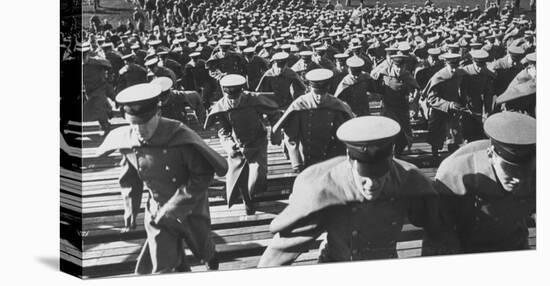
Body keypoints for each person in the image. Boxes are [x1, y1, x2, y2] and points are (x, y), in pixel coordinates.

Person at [257, 116, 441, 266]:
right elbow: (281, 250)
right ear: (349, 159)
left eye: (378, 176)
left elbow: (437, 227)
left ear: (391, 157)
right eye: (364, 176)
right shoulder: (325, 188)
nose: (371, 184)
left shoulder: (410, 181)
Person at [97, 83, 228, 274]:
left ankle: (210, 259)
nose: (140, 130)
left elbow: (203, 174)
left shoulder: (180, 135)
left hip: (190, 206)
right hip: (157, 210)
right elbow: (130, 178)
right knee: (162, 265)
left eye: (145, 123)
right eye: (134, 124)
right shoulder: (128, 141)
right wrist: (130, 210)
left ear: (158, 113)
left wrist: (176, 206)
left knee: (201, 244)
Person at [430, 112, 535, 254]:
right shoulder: (456, 175)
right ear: (491, 154)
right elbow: (440, 235)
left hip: (515, 243)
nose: (518, 180)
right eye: (510, 170)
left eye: (525, 173)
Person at [204, 74, 281, 215]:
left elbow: (274, 113)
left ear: (241, 92)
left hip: (257, 142)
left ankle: (256, 189)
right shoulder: (221, 107)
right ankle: (248, 201)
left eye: (237, 98)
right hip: (237, 146)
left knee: (257, 176)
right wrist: (228, 145)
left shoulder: (254, 99)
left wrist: (275, 132)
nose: (234, 102)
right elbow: (223, 130)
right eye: (230, 99)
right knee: (239, 177)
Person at [273, 69, 354, 173]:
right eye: (316, 93)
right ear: (310, 88)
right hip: (307, 158)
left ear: (328, 89)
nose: (319, 98)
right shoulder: (300, 105)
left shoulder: (337, 105)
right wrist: (296, 161)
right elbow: (291, 137)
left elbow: (345, 134)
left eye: (322, 93)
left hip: (331, 158)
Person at [423, 53, 466, 158]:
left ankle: (453, 155)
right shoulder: (439, 77)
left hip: (454, 109)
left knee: (454, 134)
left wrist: (461, 102)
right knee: (436, 134)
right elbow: (431, 99)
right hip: (439, 109)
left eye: (456, 66)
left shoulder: (460, 74)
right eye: (452, 66)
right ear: (446, 63)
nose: (454, 69)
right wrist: (448, 104)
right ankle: (435, 155)